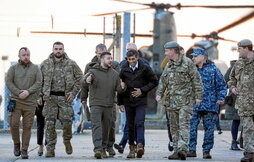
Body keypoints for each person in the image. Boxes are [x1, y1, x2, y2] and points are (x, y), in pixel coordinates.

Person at [156, 41, 203, 160]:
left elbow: (196, 80)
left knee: (184, 124)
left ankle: (183, 148)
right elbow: (163, 80)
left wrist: (198, 96)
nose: (165, 53)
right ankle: (176, 150)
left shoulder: (187, 63)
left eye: (167, 50)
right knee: (174, 126)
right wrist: (159, 94)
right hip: (171, 101)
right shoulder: (169, 65)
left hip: (185, 101)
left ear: (173, 51)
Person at [39, 41, 83, 158]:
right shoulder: (45, 64)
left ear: (63, 50)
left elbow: (81, 78)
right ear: (52, 50)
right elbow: (39, 81)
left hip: (65, 98)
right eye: (56, 49)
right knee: (49, 124)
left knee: (67, 122)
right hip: (50, 98)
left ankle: (67, 140)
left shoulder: (71, 64)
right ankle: (50, 149)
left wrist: (73, 93)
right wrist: (39, 96)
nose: (58, 51)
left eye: (60, 49)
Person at [81, 52, 125, 159]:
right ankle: (98, 149)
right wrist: (87, 81)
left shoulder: (114, 74)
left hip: (109, 105)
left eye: (111, 58)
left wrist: (123, 87)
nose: (110, 60)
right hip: (95, 104)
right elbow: (83, 82)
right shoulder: (92, 71)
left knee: (107, 128)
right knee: (97, 127)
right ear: (101, 59)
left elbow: (118, 89)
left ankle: (104, 148)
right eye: (108, 58)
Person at [187, 48, 227, 159]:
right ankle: (191, 149)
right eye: (193, 56)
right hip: (193, 104)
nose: (193, 58)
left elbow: (222, 86)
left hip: (210, 105)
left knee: (209, 129)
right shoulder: (191, 70)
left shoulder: (213, 69)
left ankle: (206, 150)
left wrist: (221, 98)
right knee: (191, 127)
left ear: (203, 57)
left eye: (195, 56)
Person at [118, 49, 158, 159]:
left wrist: (142, 90)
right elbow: (120, 87)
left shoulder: (145, 68)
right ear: (127, 59)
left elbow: (154, 81)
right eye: (129, 59)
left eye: (133, 59)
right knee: (130, 125)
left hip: (141, 100)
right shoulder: (123, 69)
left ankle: (140, 145)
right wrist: (120, 103)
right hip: (128, 101)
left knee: (139, 123)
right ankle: (132, 148)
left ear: (137, 57)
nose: (131, 61)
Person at [6, 47, 42, 159]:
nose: (26, 57)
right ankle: (17, 144)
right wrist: (18, 92)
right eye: (24, 55)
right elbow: (8, 82)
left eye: (28, 55)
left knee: (27, 127)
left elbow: (39, 82)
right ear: (19, 56)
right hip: (16, 101)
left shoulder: (36, 68)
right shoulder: (13, 68)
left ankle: (24, 150)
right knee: (13, 124)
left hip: (30, 103)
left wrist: (28, 91)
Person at [228, 39, 254, 162]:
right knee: (247, 128)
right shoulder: (238, 64)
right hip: (244, 102)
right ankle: (249, 153)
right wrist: (232, 87)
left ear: (247, 48)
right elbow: (231, 78)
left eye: (239, 48)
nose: (237, 51)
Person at [224, 60, 241, 150]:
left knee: (248, 121)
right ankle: (234, 141)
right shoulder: (235, 67)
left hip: (248, 98)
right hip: (234, 98)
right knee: (236, 120)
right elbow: (226, 80)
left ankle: (241, 140)